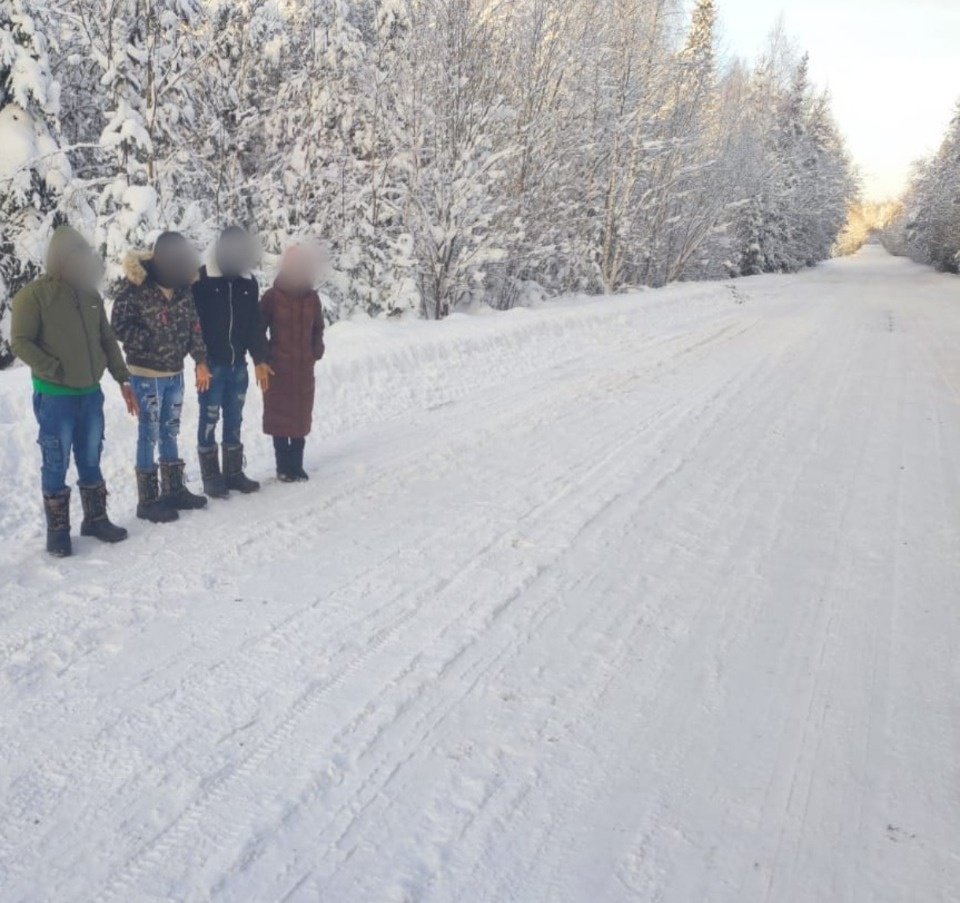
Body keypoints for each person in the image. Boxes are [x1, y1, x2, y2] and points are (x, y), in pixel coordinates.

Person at [10, 225, 138, 558]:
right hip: (55, 397)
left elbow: (107, 339)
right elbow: (20, 342)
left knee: (91, 456)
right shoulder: (33, 296)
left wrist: (123, 379)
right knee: (56, 461)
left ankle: (96, 520)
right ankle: (58, 532)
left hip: (90, 394)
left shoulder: (90, 294)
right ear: (58, 259)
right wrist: (52, 368)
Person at [111, 232, 213, 523]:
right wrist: (149, 340)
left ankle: (173, 490)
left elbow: (194, 324)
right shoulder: (136, 286)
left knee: (170, 429)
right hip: (146, 373)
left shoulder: (183, 286)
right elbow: (118, 325)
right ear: (157, 258)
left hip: (174, 372)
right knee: (149, 433)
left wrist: (200, 360)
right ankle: (147, 501)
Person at [192, 225, 271, 498]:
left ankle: (234, 472)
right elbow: (194, 326)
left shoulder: (248, 283)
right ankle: (210, 476)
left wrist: (260, 359)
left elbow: (254, 325)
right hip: (212, 365)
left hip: (239, 365)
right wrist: (200, 361)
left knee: (235, 419)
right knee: (209, 417)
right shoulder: (201, 280)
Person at [260, 245, 326, 482]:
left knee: (300, 417)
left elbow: (318, 327)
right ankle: (283, 467)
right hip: (278, 368)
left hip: (303, 369)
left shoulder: (312, 298)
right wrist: (265, 357)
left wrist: (315, 350)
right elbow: (258, 329)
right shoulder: (272, 297)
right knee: (279, 418)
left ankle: (296, 465)